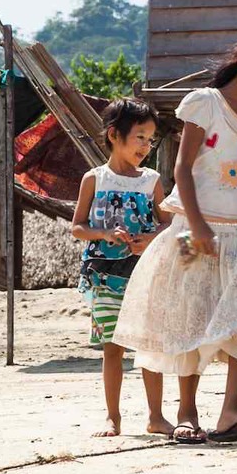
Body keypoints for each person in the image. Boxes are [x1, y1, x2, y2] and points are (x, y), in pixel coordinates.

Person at [114, 30, 237, 445]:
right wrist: (197, 227)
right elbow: (181, 171)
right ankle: (186, 413)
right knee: (186, 314)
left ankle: (231, 413)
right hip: (186, 229)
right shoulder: (204, 104)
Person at [70, 98, 171, 437]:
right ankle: (113, 418)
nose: (147, 145)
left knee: (148, 345)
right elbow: (77, 227)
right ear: (114, 134)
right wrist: (103, 234)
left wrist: (150, 239)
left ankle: (156, 416)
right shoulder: (93, 179)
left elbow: (169, 225)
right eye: (140, 137)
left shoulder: (152, 181)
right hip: (104, 274)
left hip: (144, 274)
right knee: (113, 347)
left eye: (150, 139)